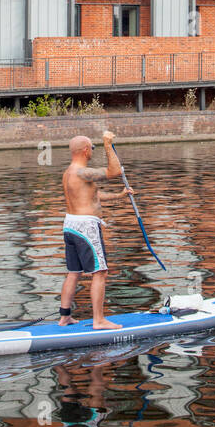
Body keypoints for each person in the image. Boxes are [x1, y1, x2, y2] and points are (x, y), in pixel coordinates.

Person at [59, 129, 134, 330]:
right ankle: (99, 320)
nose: (93, 150)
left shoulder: (69, 173)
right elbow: (115, 172)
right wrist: (108, 145)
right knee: (100, 272)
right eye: (92, 147)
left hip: (70, 225)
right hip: (86, 227)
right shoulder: (83, 172)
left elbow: (93, 196)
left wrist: (119, 196)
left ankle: (64, 316)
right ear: (85, 150)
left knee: (74, 272)